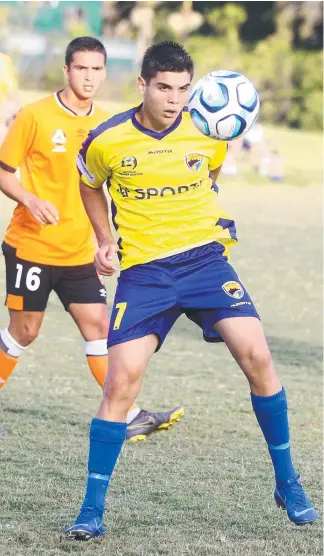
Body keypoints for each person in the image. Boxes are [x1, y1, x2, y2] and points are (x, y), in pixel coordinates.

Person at [64, 40, 318, 540]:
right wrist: (103, 239)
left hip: (205, 261)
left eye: (183, 88)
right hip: (144, 273)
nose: (174, 99)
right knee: (120, 384)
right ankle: (91, 509)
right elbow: (89, 183)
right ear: (143, 85)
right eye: (163, 87)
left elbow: (210, 175)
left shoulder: (209, 131)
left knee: (260, 359)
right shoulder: (107, 139)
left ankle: (288, 482)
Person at [0, 36, 184, 440]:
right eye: (80, 68)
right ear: (67, 70)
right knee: (25, 331)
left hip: (79, 251)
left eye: (96, 69)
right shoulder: (34, 115)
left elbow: (109, 187)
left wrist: (106, 241)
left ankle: (129, 414)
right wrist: (30, 199)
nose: (88, 76)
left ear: (104, 73)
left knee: (100, 327)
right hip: (31, 245)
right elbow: (3, 170)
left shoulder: (106, 127)